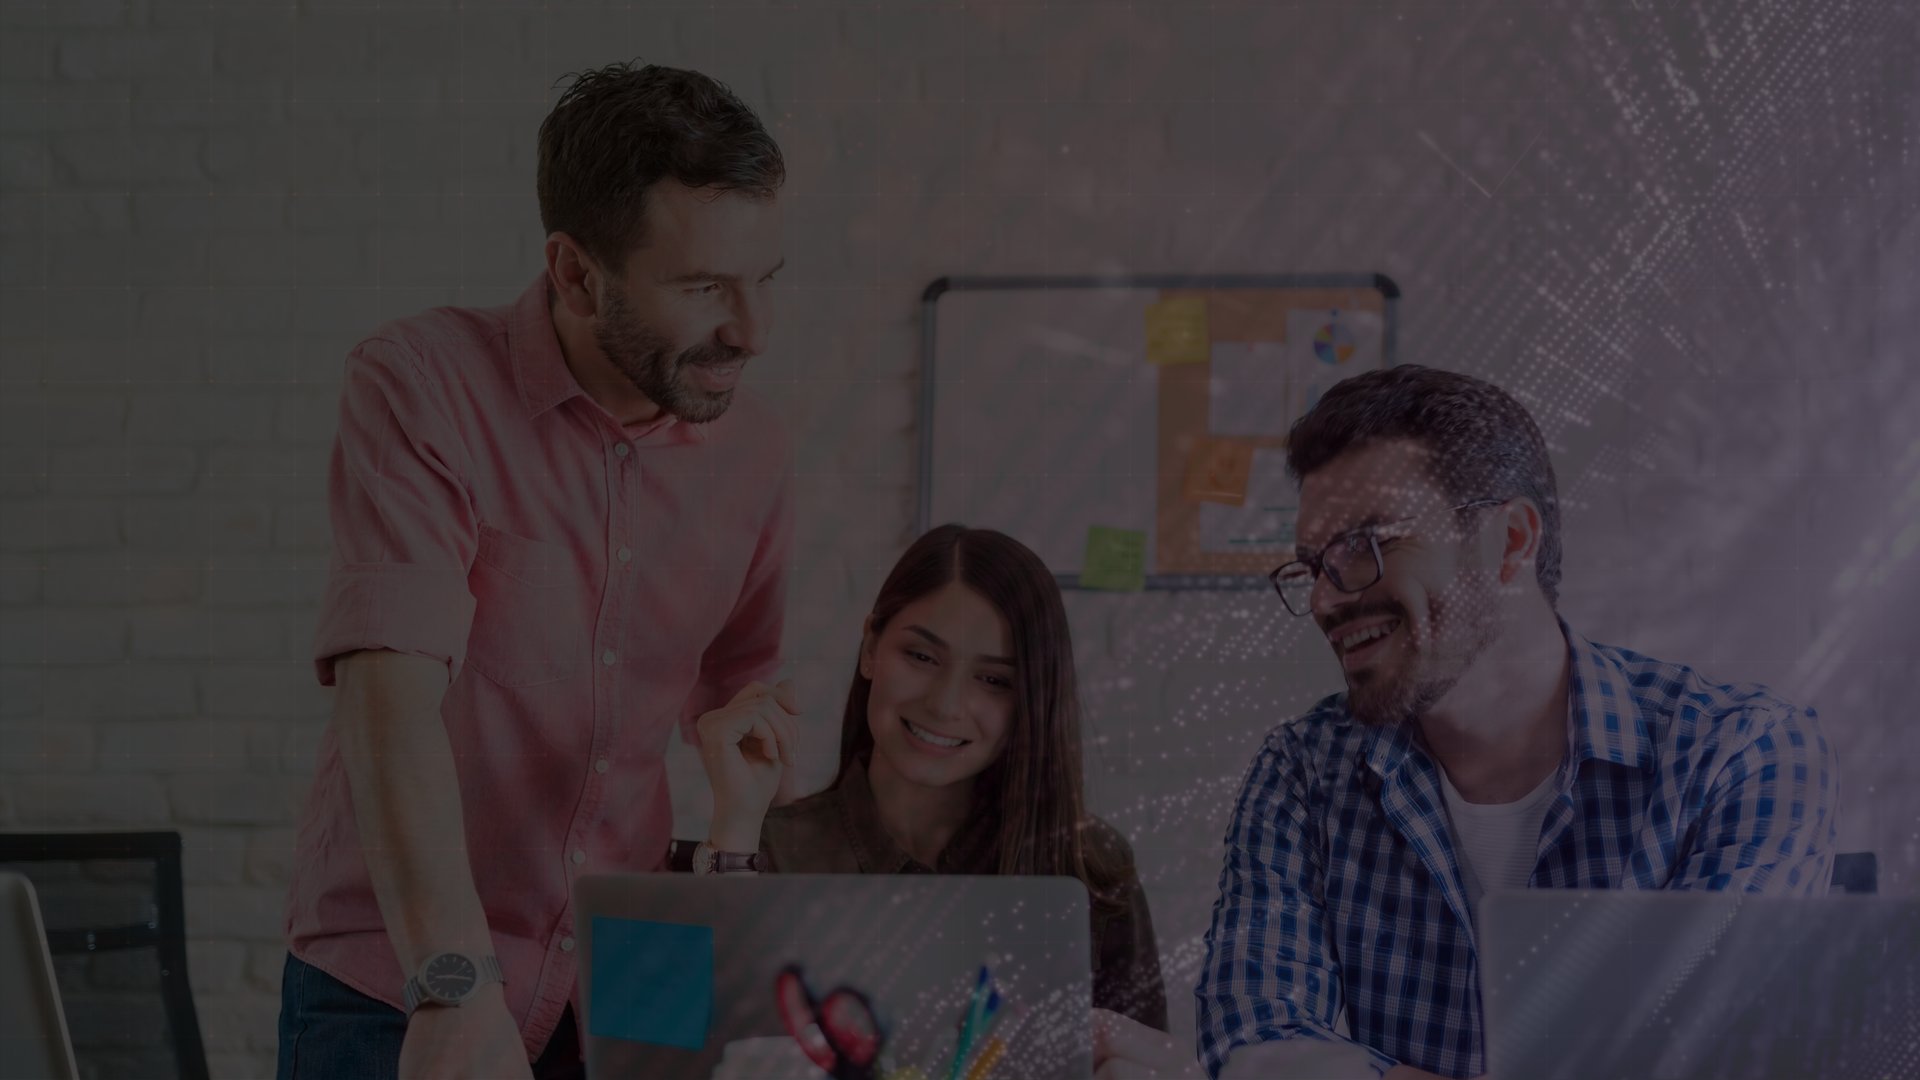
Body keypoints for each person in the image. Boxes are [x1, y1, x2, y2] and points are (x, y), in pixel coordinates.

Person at [1100, 364, 1839, 1080]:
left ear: (1511, 541)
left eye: (1364, 548)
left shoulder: (1740, 755)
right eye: (1313, 565)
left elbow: (1731, 1058)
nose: (1325, 601)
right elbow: (1257, 1039)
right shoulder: (1303, 769)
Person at [277, 62, 794, 1080]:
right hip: (407, 978)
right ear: (572, 273)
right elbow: (390, 705)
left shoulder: (755, 454)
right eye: (701, 288)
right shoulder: (425, 384)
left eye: (765, 279)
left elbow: (740, 702)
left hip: (623, 975)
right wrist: (452, 981)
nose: (752, 330)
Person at [693, 524, 1170, 1030]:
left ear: (1031, 698)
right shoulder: (770, 850)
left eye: (993, 680)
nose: (944, 704)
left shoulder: (1090, 865)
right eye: (921, 657)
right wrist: (737, 821)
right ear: (871, 647)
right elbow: (700, 1048)